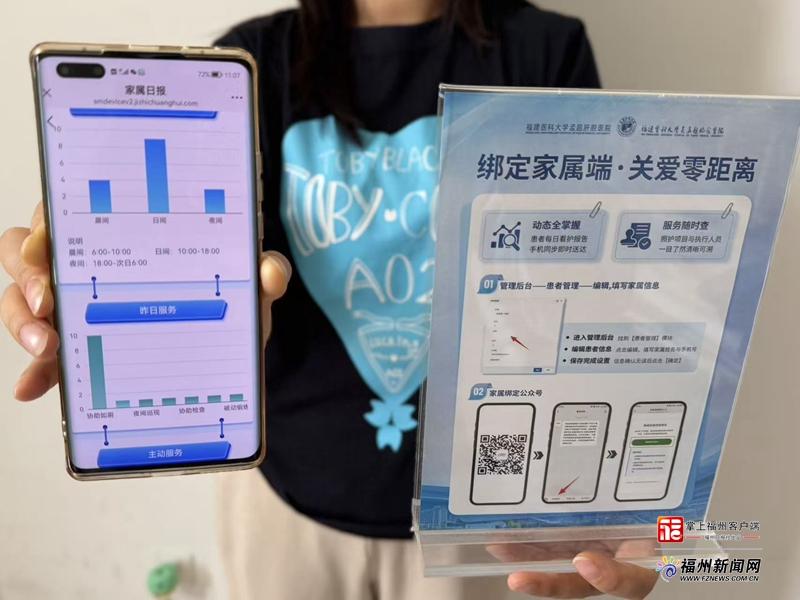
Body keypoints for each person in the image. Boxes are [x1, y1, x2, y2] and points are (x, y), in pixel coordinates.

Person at [1, 0, 659, 598]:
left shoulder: (546, 51)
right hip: (286, 496)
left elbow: (590, 283)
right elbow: (192, 250)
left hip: (480, 510)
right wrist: (111, 273)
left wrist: (632, 482)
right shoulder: (248, 61)